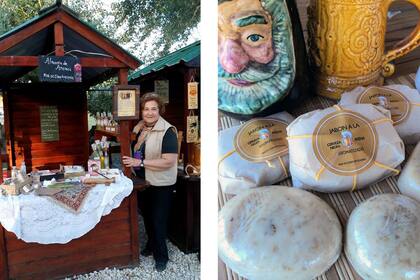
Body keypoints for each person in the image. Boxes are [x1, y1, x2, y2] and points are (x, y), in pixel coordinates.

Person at [122, 93, 178, 272]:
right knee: (146, 217)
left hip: (161, 184)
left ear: (159, 110)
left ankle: (162, 256)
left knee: (158, 221)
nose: (149, 112)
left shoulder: (168, 131)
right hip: (144, 181)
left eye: (153, 109)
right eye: (146, 109)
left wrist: (141, 162)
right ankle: (151, 245)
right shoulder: (142, 128)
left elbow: (168, 161)